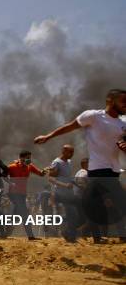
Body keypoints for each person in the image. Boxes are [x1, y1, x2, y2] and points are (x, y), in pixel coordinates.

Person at [35, 89, 126, 242]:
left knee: (94, 209)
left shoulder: (123, 123)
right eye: (123, 101)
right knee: (120, 202)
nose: (125, 104)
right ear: (110, 100)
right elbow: (70, 126)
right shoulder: (93, 116)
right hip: (99, 170)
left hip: (114, 170)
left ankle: (71, 232)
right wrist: (48, 136)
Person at [7, 150, 46, 240]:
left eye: (30, 158)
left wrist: (44, 171)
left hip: (22, 194)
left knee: (16, 212)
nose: (29, 159)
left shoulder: (29, 166)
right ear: (21, 158)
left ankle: (7, 229)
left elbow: (40, 174)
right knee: (25, 213)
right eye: (27, 158)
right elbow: (3, 175)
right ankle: (30, 235)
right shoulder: (12, 167)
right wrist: (10, 182)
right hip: (13, 193)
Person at [48, 144, 79, 242]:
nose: (72, 154)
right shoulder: (56, 162)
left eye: (73, 152)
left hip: (69, 192)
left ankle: (69, 234)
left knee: (73, 214)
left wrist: (76, 183)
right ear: (64, 151)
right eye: (70, 152)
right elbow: (51, 178)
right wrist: (64, 185)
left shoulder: (69, 162)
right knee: (69, 213)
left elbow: (68, 177)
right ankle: (67, 234)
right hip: (60, 192)